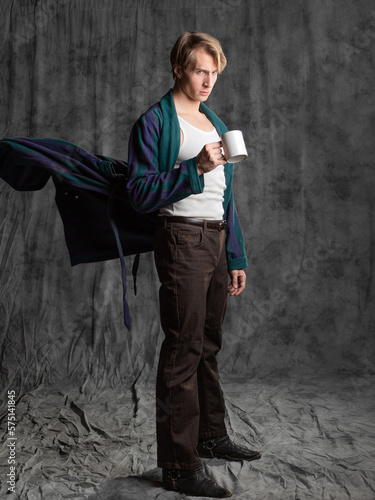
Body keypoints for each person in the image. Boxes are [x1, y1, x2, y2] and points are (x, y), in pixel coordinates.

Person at [127, 31, 261, 498]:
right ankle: (180, 468)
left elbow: (227, 197)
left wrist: (236, 254)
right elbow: (140, 194)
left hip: (215, 239)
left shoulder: (213, 119)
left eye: (215, 73)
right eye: (201, 70)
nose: (208, 81)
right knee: (182, 350)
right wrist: (194, 169)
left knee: (207, 344)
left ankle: (211, 436)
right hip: (180, 240)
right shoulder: (155, 123)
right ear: (180, 68)